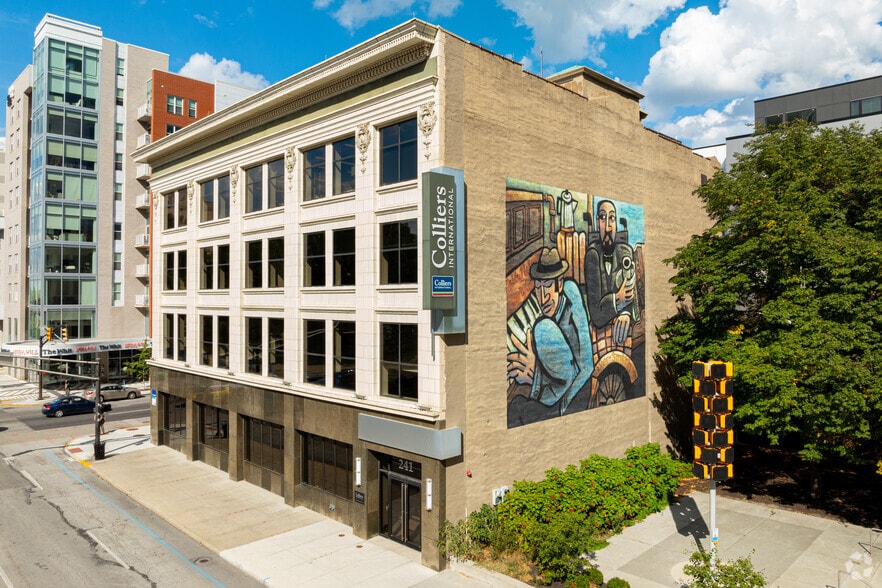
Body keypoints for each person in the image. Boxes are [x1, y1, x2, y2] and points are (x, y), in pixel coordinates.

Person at [507, 247, 593, 425]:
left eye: (547, 287)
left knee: (542, 327)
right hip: (555, 391)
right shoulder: (553, 309)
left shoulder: (570, 300)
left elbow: (586, 368)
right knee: (516, 406)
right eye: (538, 288)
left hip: (570, 398)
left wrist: (536, 374)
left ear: (559, 285)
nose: (543, 297)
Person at [584, 199, 639, 345]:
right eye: (603, 218)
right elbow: (596, 315)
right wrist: (618, 300)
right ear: (597, 222)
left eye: (612, 218)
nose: (608, 227)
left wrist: (626, 313)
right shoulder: (592, 255)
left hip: (623, 335)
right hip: (600, 336)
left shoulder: (625, 252)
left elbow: (633, 296)